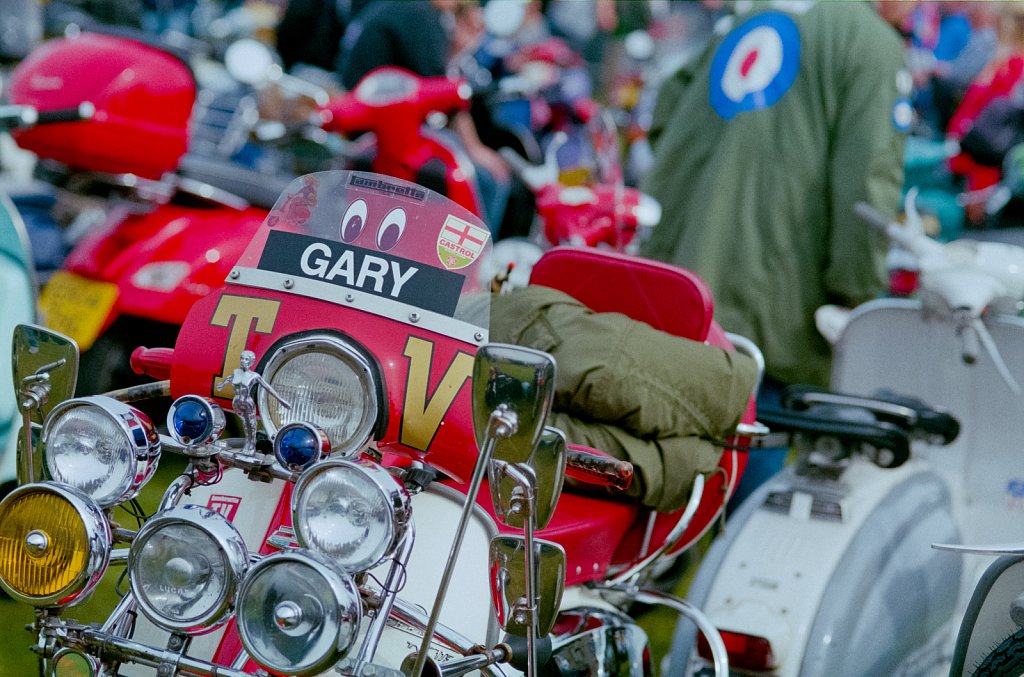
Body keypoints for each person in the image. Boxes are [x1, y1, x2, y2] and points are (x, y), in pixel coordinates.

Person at [639, 0, 913, 504]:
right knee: (742, 488)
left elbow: (665, 114)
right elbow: (866, 185)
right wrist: (855, 293)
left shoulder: (753, 12)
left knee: (664, 475)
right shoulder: (872, 43)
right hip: (773, 299)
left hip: (682, 273)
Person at [337, 0, 511, 233]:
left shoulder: (399, 9)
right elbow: (446, 93)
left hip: (366, 124)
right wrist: (475, 149)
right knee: (488, 179)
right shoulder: (423, 16)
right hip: (380, 135)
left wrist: (459, 47)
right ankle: (475, 253)